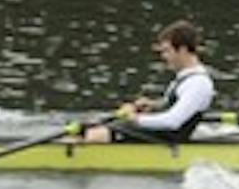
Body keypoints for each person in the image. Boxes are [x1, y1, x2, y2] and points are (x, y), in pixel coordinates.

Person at [85, 20, 215, 144]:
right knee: (89, 128)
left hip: (168, 139)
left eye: (167, 51)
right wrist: (154, 105)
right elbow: (175, 105)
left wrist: (135, 118)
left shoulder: (198, 84)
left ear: (183, 50)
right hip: (161, 134)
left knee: (96, 135)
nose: (163, 57)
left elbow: (173, 121)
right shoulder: (186, 77)